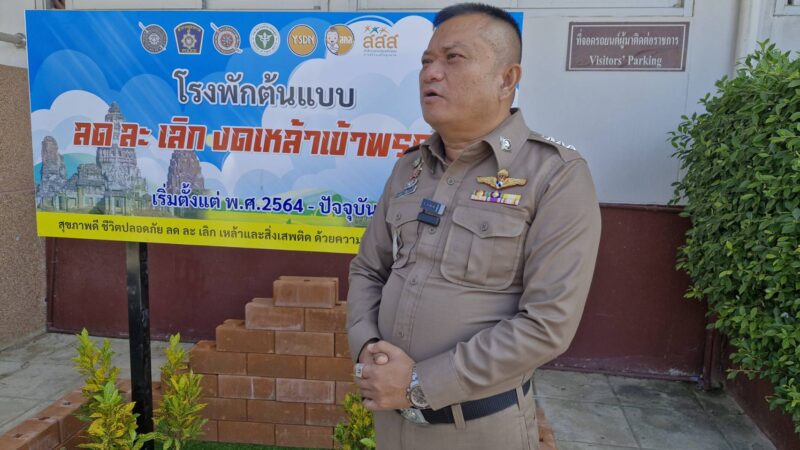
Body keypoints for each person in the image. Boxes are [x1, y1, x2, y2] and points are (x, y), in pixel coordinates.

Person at [346, 3, 602, 449]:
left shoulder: (554, 174)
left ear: (507, 79)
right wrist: (367, 348)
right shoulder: (409, 168)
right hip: (391, 420)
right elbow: (369, 269)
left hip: (478, 429)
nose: (431, 73)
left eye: (453, 58)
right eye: (427, 60)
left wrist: (420, 383)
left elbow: (547, 323)